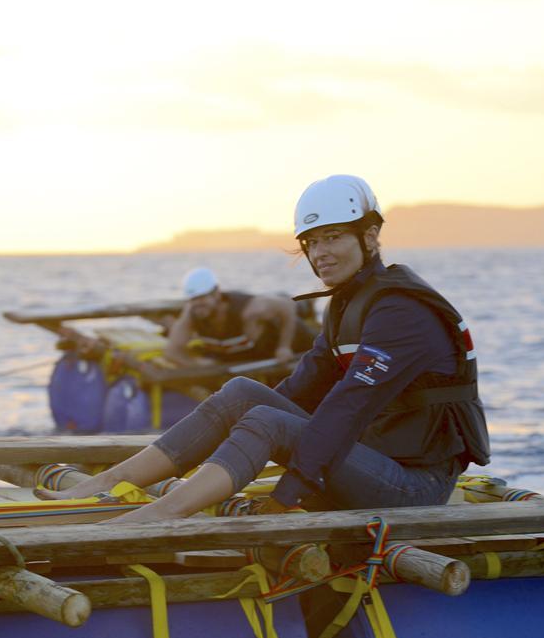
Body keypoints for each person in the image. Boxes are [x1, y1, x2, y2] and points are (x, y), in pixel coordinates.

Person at [41, 175, 491, 522]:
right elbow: (298, 391)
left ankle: (158, 515)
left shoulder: (401, 311)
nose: (320, 254)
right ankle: (108, 481)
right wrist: (244, 433)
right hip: (375, 459)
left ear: (370, 236)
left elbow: (348, 407)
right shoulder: (348, 303)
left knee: (267, 419)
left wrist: (287, 494)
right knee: (242, 393)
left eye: (333, 237)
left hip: (415, 486)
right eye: (312, 243)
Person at [163, 267, 315, 366]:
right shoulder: (192, 312)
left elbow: (286, 305)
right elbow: (171, 351)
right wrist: (197, 364)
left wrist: (284, 347)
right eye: (193, 299)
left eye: (202, 298)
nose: (198, 304)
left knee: (290, 305)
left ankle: (308, 304)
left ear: (216, 292)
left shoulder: (249, 310)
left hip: (296, 341)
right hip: (246, 358)